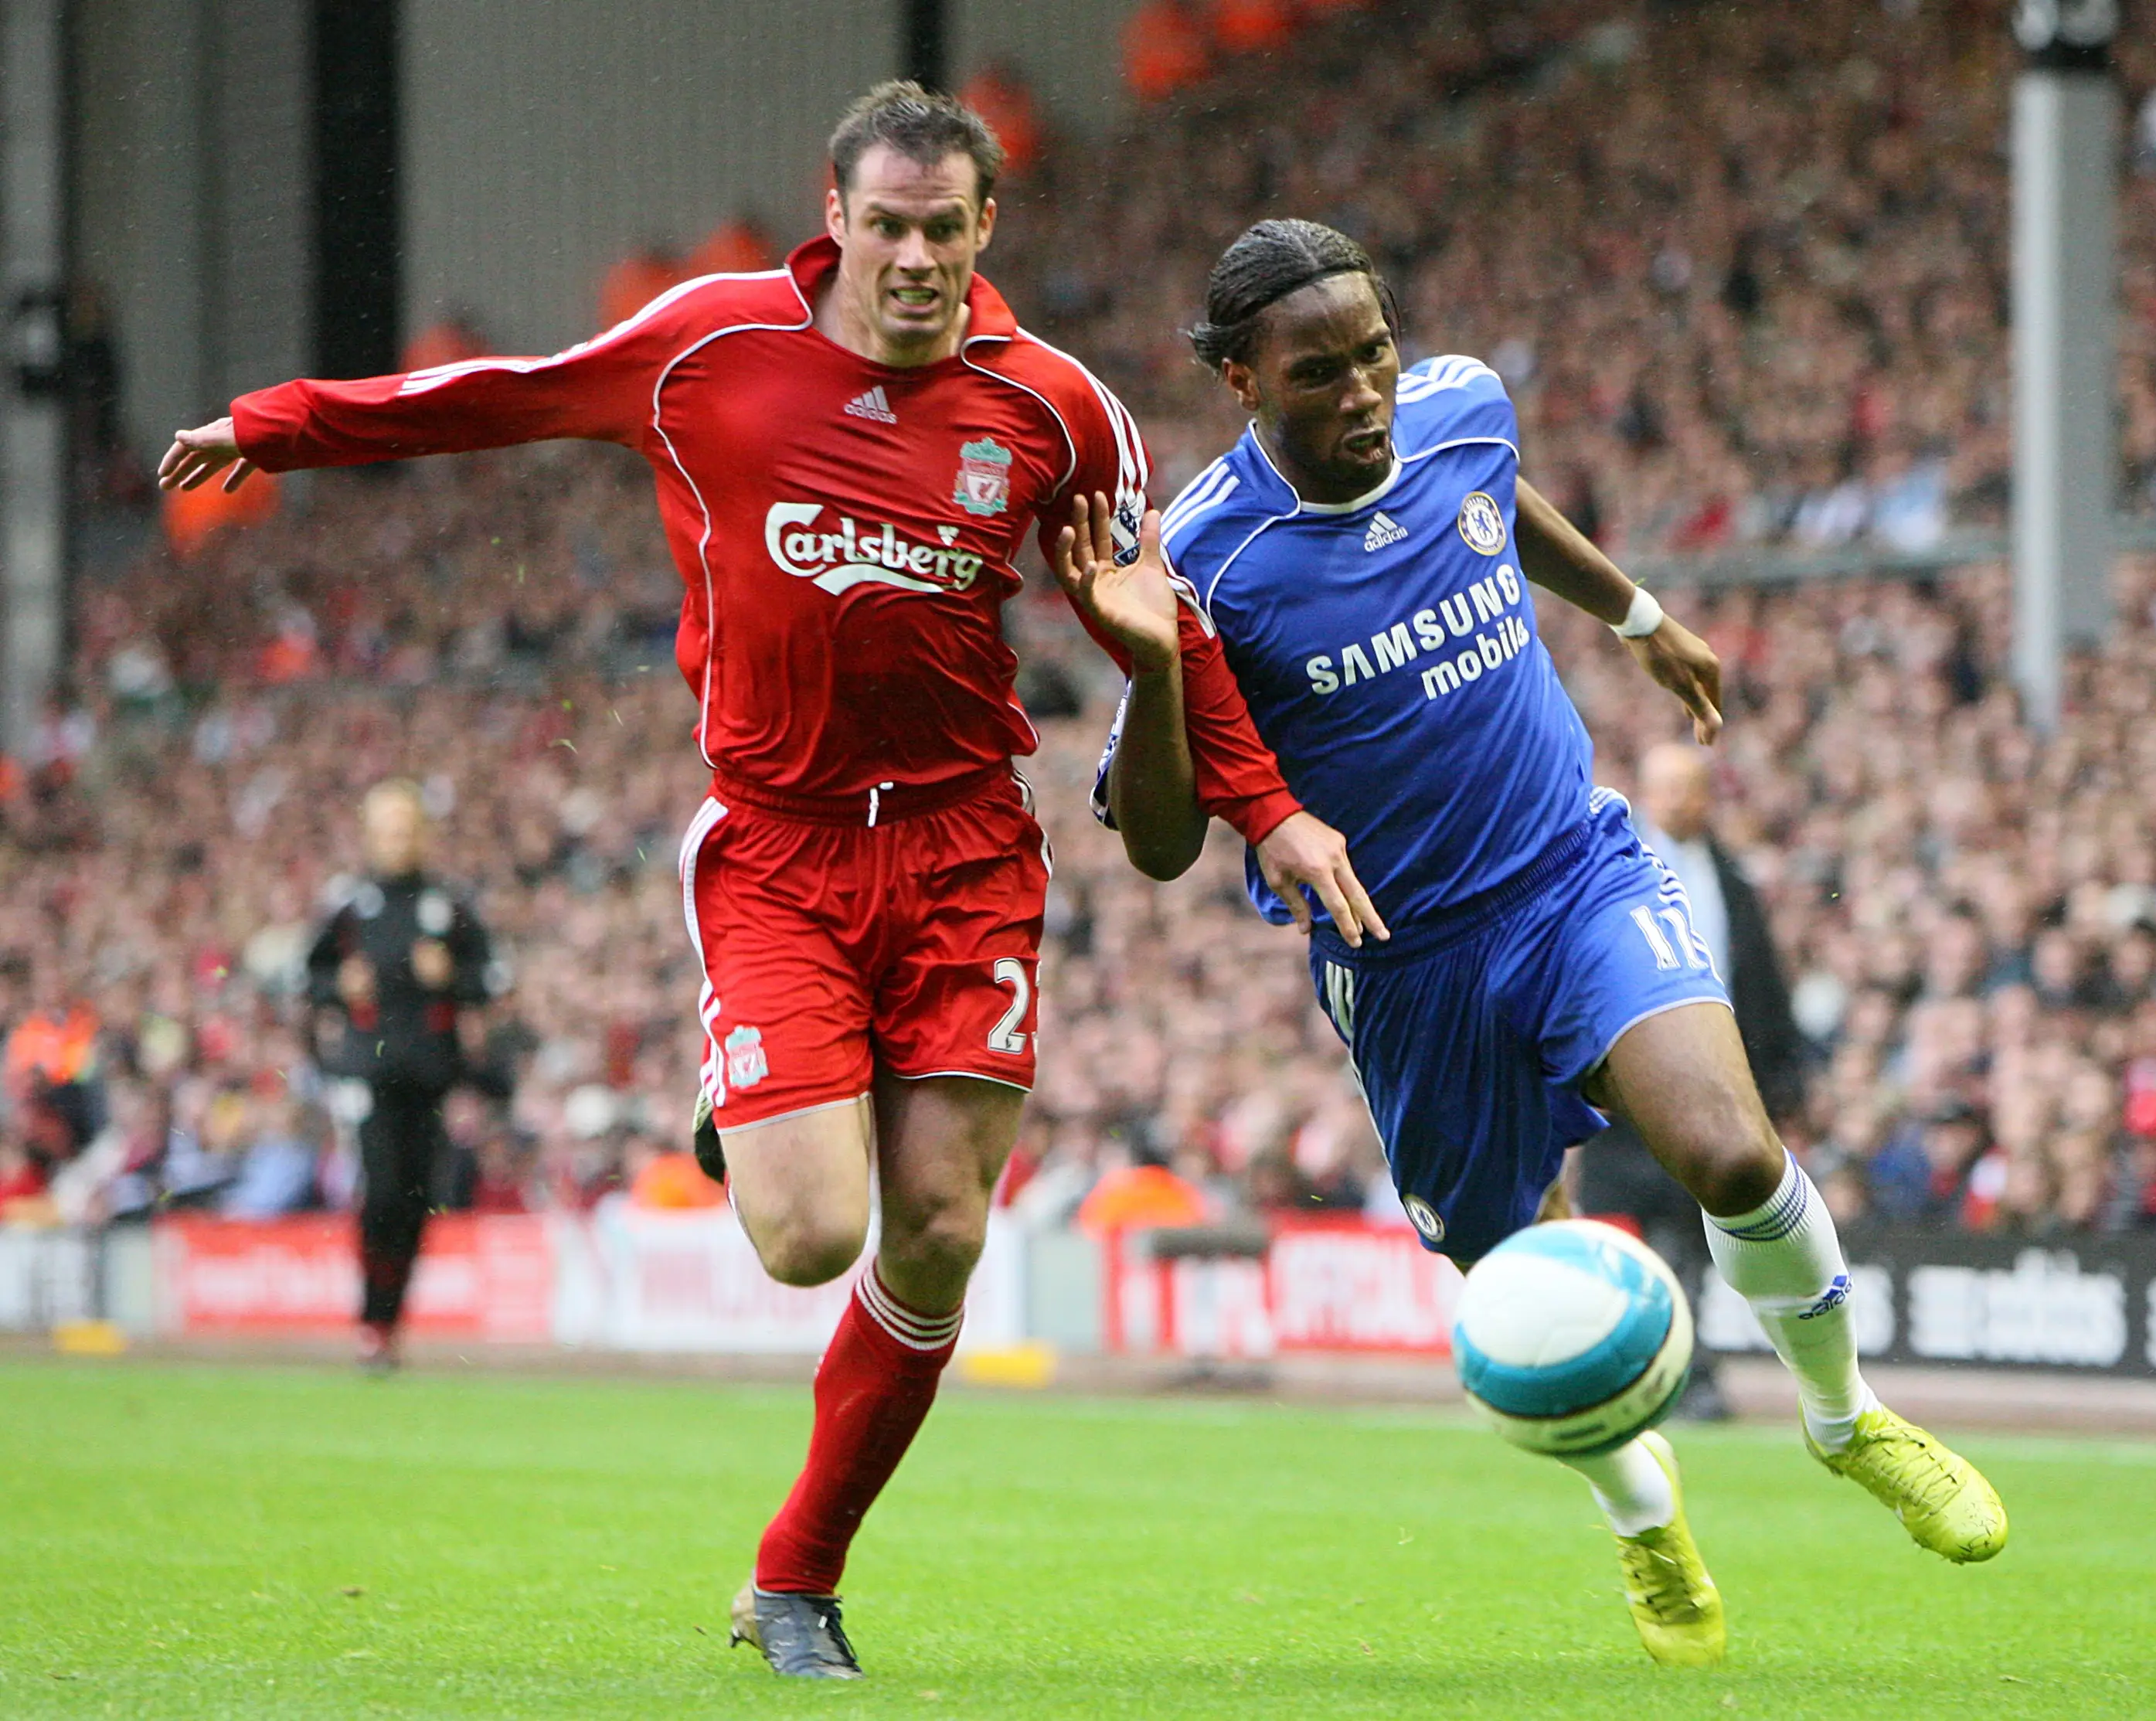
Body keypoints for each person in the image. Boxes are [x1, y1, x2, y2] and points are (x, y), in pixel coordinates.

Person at [160, 83, 1364, 1682]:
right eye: (889, 225)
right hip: (779, 847)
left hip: (963, 846)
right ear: (839, 218)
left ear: (983, 229)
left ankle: (795, 1576)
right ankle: (760, 1092)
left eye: (947, 228)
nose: (918, 257)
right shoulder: (710, 347)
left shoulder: (1059, 411)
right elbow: (504, 396)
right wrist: (289, 419)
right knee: (806, 1240)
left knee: (935, 1233)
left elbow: (1164, 627)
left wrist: (1269, 811)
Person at [1064, 219, 2006, 1671]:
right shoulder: (1202, 559)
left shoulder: (1460, 406)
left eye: (1374, 352)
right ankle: (1644, 1518)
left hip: (1572, 871)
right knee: (1527, 1283)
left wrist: (1636, 611)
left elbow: (1498, 500)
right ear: (1244, 379)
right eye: (1320, 374)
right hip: (1407, 966)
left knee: (1737, 1156)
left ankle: (1847, 1419)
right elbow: (1154, 840)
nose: (1366, 393)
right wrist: (1151, 666)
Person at [1580, 741, 1807, 1420]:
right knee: (1634, 1239)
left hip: (1715, 1090)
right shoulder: (1609, 870)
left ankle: (1676, 1370)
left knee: (1695, 1238)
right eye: (1665, 788)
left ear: (1707, 796)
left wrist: (1782, 1077)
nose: (1678, 801)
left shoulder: (1731, 882)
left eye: (1689, 788)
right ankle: (1650, 1372)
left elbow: (1759, 983)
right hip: (1626, 1094)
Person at [306, 781, 499, 1370]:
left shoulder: (450, 903)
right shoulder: (349, 904)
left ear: (424, 833)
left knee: (418, 1199)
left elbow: (487, 978)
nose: (399, 839)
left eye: (408, 827)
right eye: (389, 828)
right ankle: (373, 1320)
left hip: (432, 1074)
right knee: (383, 1189)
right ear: (371, 836)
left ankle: (387, 1324)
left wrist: (450, 977)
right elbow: (309, 977)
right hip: (370, 1072)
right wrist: (339, 988)